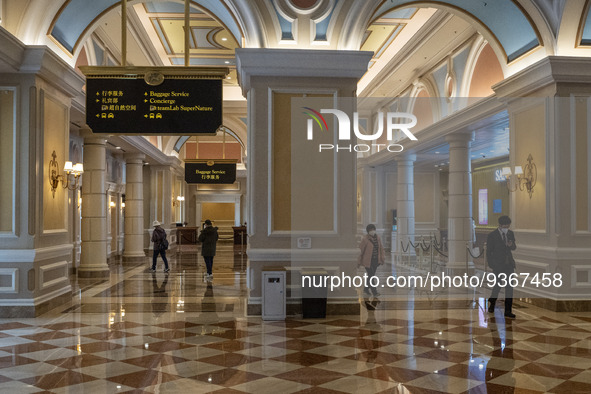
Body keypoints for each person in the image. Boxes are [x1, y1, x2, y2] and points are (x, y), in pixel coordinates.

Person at [487, 215, 517, 318]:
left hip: (509, 265)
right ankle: (492, 302)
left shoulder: (510, 234)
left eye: (508, 226)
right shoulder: (492, 235)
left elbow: (514, 247)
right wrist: (492, 265)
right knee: (497, 285)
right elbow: (489, 252)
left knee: (509, 288)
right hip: (498, 265)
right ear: (499, 225)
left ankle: (508, 311)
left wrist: (511, 245)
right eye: (505, 226)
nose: (507, 228)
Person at [358, 224, 385, 297]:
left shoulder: (378, 238)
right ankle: (374, 292)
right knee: (371, 276)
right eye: (370, 230)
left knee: (371, 276)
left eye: (373, 229)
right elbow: (361, 250)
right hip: (368, 261)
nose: (372, 231)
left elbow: (381, 248)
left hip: (376, 260)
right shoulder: (365, 239)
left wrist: (382, 258)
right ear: (368, 231)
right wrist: (359, 261)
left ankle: (366, 289)